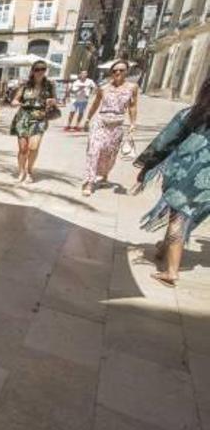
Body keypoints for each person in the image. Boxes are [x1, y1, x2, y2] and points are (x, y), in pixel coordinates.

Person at [133, 77, 210, 287]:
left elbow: (165, 141)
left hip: (187, 174)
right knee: (188, 215)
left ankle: (171, 271)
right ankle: (163, 248)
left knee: (179, 216)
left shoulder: (193, 115)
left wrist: (147, 166)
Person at [81, 60, 138, 196]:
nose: (117, 72)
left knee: (109, 155)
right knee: (93, 151)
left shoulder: (132, 87)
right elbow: (95, 104)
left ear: (127, 72)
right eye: (115, 70)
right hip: (100, 123)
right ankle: (90, 181)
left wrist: (132, 123)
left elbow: (133, 106)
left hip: (117, 125)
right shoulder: (104, 88)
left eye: (121, 70)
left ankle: (104, 174)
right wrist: (88, 119)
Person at [10, 60, 57, 184]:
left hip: (39, 117)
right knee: (23, 148)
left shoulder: (49, 85)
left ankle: (29, 171)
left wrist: (52, 102)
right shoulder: (25, 85)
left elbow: (55, 100)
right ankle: (21, 171)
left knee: (33, 147)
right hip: (23, 116)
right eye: (37, 69)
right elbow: (14, 100)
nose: (40, 72)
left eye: (43, 69)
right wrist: (16, 103)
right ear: (33, 71)